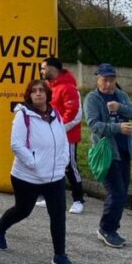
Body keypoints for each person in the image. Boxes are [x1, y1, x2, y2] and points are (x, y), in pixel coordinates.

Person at [0, 79, 77, 264]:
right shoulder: (23, 116)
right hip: (27, 176)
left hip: (54, 176)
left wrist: (62, 162)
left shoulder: (56, 114)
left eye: (42, 91)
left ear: (47, 94)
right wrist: (34, 163)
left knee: (58, 215)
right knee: (23, 210)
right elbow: (17, 145)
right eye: (34, 91)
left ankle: (60, 255)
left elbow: (62, 141)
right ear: (29, 95)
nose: (38, 94)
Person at [83, 63, 132, 249]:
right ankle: (106, 229)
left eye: (111, 80)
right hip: (106, 152)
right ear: (97, 79)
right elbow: (94, 125)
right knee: (115, 192)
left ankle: (113, 228)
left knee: (122, 193)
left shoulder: (121, 96)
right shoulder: (92, 98)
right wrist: (117, 127)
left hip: (124, 151)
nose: (108, 84)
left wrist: (120, 107)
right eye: (104, 80)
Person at [41, 57, 85, 214]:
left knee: (70, 167)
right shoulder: (51, 87)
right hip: (53, 134)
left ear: (53, 69)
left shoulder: (68, 87)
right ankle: (50, 196)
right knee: (51, 165)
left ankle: (78, 200)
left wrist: (58, 129)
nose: (41, 71)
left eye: (43, 68)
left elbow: (75, 115)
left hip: (68, 137)